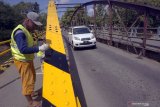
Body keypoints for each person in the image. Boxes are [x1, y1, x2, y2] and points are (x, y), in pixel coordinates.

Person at [10, 11, 49, 107]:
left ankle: (31, 93)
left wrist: (40, 42)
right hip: (22, 61)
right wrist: (39, 48)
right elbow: (23, 49)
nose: (35, 27)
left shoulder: (26, 30)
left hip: (27, 60)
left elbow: (30, 42)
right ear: (28, 21)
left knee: (32, 77)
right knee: (27, 81)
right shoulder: (20, 32)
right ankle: (31, 103)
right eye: (34, 24)